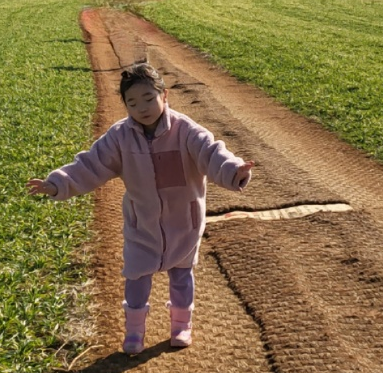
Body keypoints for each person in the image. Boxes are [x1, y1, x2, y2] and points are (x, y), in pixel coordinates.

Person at [27, 62, 253, 354]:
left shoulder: (186, 131)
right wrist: (57, 183)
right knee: (135, 275)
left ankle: (181, 326)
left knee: (182, 274)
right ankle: (134, 332)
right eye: (132, 102)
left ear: (164, 96)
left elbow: (211, 152)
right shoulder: (119, 137)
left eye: (148, 98)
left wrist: (235, 170)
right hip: (141, 222)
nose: (142, 107)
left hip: (183, 221)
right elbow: (91, 164)